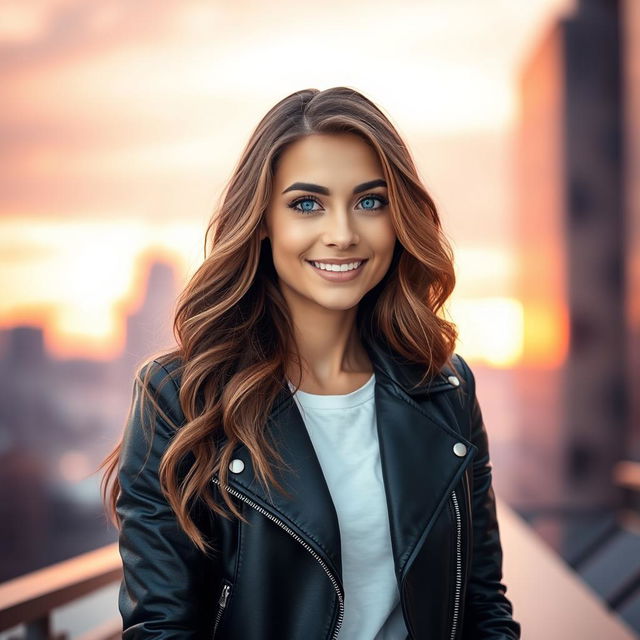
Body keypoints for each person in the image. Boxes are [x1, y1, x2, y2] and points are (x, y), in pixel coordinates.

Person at [100, 86, 521, 639]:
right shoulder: (180, 397)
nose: (343, 234)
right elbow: (162, 627)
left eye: (370, 201)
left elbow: (483, 607)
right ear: (264, 220)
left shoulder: (444, 388)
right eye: (307, 204)